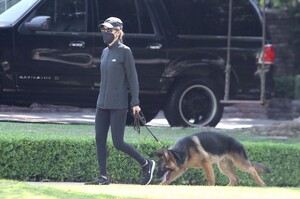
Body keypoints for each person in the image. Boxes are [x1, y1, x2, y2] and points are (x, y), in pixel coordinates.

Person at [85, 17, 155, 185]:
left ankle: (146, 164)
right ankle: (103, 177)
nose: (105, 33)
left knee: (118, 142)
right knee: (99, 139)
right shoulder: (105, 52)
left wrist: (135, 102)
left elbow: (133, 79)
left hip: (118, 104)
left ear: (117, 32)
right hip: (101, 103)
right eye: (104, 29)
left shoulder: (125, 51)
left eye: (108, 30)